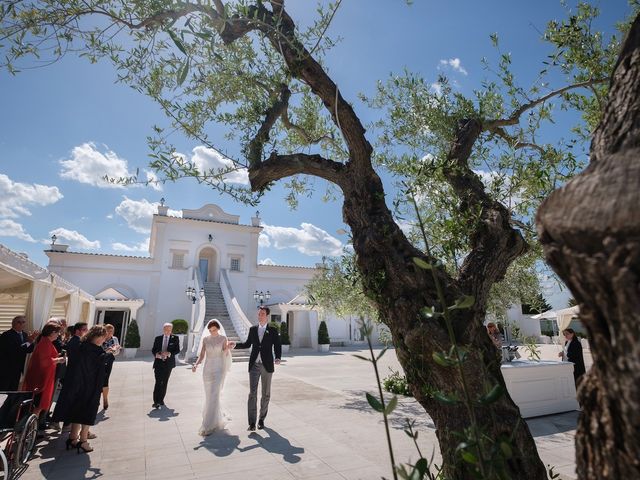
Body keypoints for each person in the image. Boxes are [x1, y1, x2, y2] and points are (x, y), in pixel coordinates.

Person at [53, 325, 113, 453]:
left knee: (77, 411)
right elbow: (99, 362)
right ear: (98, 337)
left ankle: (73, 438)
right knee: (87, 412)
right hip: (89, 386)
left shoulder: (81, 345)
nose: (103, 340)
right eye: (103, 338)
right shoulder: (94, 350)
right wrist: (111, 352)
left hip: (78, 385)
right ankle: (83, 441)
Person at [233, 306, 281, 431]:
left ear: (267, 316)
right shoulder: (253, 329)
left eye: (262, 314)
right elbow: (247, 344)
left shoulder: (273, 330)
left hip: (267, 365)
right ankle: (252, 422)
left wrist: (278, 357)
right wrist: (234, 346)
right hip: (254, 364)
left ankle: (261, 419)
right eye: (259, 313)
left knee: (266, 394)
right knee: (252, 394)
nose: (260, 316)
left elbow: (277, 345)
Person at [192, 319, 235, 436]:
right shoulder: (206, 339)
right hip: (207, 369)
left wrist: (229, 347)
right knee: (209, 395)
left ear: (218, 329)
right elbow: (201, 355)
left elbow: (224, 352)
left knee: (214, 394)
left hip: (219, 369)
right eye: (210, 330)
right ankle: (214, 417)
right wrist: (196, 364)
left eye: (214, 330)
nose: (212, 332)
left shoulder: (223, 339)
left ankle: (208, 424)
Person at [22, 323, 66, 419]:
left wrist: (56, 357)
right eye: (57, 332)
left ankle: (32, 428)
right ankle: (31, 429)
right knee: (38, 406)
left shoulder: (46, 341)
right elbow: (45, 361)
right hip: (41, 379)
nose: (58, 335)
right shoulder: (45, 342)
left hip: (42, 376)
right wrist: (58, 360)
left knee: (38, 406)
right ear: (52, 332)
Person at [0, 316, 39, 391]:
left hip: (18, 368)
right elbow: (15, 350)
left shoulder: (25, 334)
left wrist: (32, 341)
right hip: (6, 368)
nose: (21, 324)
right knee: (4, 389)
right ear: (13, 324)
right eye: (19, 322)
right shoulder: (6, 335)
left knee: (13, 389)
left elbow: (29, 350)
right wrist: (29, 341)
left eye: (23, 322)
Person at [151, 323, 181, 409]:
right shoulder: (158, 338)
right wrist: (156, 354)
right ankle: (156, 401)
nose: (168, 331)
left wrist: (169, 353)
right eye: (166, 329)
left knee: (164, 382)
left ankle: (161, 400)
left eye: (169, 330)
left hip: (168, 364)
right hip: (158, 363)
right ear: (163, 329)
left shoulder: (175, 338)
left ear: (171, 330)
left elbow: (177, 350)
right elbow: (154, 349)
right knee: (158, 381)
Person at [101, 324, 121, 410]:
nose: (110, 333)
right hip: (99, 361)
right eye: (108, 331)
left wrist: (116, 350)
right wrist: (107, 350)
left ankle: (105, 399)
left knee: (106, 379)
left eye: (111, 331)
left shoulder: (115, 339)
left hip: (109, 361)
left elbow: (116, 353)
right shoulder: (101, 338)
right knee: (98, 379)